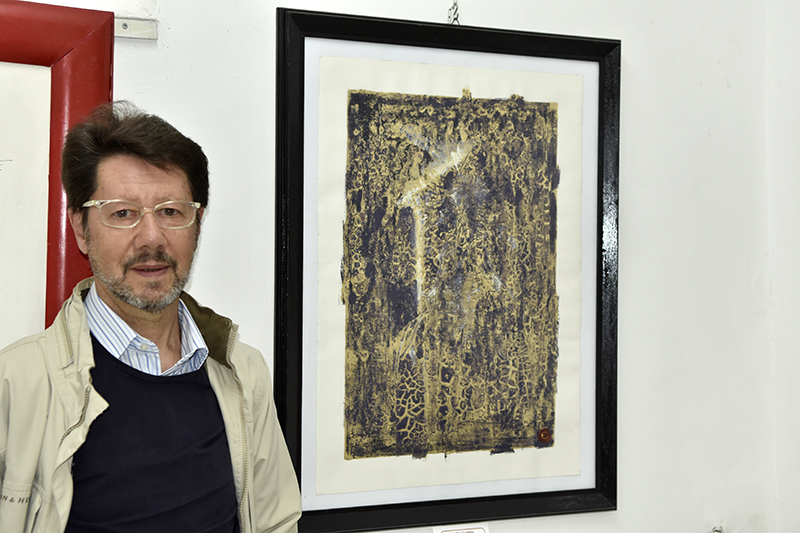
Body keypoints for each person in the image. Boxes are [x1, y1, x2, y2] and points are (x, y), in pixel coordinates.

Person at [0, 102, 301, 532]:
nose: (151, 237)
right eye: (123, 213)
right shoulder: (17, 384)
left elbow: (276, 521)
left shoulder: (241, 372)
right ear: (81, 228)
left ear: (197, 224)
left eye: (171, 211)